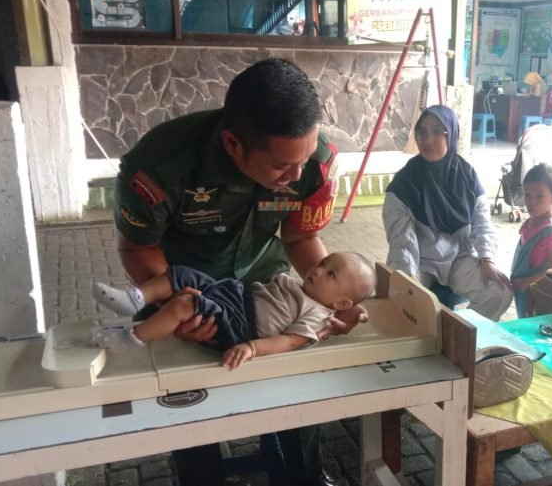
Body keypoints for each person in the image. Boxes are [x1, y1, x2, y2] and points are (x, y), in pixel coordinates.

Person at [113, 58, 363, 486]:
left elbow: (301, 237)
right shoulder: (160, 166)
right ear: (233, 144)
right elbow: (137, 246)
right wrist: (177, 309)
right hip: (186, 286)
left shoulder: (316, 162)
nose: (296, 175)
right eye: (282, 167)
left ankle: (304, 476)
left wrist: (332, 303)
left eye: (304, 159)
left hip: (267, 287)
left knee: (298, 383)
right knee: (190, 400)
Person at [91, 252, 376, 368]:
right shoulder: (301, 288)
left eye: (331, 274)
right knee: (183, 275)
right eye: (324, 263)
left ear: (341, 303)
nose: (318, 270)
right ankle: (134, 299)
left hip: (242, 327)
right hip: (238, 297)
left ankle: (131, 339)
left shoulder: (318, 315)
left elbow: (289, 342)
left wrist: (251, 348)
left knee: (186, 304)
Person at [382, 105, 513, 321]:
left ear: (451, 134)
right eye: (422, 132)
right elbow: (402, 243)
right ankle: (430, 336)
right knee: (401, 297)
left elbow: (482, 225)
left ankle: (464, 332)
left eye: (437, 131)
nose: (428, 140)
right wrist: (408, 278)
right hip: (419, 261)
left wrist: (486, 259)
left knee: (500, 291)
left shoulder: (468, 177)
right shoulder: (404, 185)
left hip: (457, 258)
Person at [510, 163, 552, 317]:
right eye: (527, 194)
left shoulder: (549, 232)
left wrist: (526, 282)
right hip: (521, 291)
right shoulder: (532, 221)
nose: (531, 201)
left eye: (539, 196)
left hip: (534, 296)